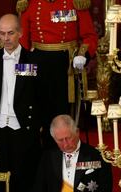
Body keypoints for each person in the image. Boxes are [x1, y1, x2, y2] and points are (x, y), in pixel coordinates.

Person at [18, 0, 98, 148]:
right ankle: (43, 157)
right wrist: (22, 75)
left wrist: (83, 54)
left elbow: (89, 36)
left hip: (65, 65)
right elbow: (22, 43)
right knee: (37, 111)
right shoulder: (29, 3)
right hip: (38, 64)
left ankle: (65, 152)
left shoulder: (76, 2)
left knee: (63, 113)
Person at [0, 14, 41, 192]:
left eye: (11, 33)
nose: (6, 38)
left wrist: (37, 126)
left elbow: (41, 97)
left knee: (23, 177)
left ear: (20, 33)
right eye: (2, 33)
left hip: (24, 127)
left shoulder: (34, 60)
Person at [33, 115, 112, 192]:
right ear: (54, 139)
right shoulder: (48, 157)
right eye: (60, 140)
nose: (66, 144)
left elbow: (105, 190)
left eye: (68, 138)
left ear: (77, 132)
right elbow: (38, 190)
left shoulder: (96, 155)